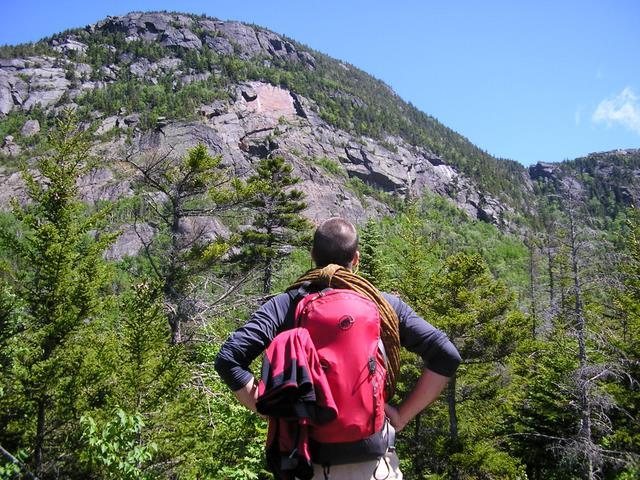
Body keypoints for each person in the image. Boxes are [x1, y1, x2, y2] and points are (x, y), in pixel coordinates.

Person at [215, 217, 461, 479]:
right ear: (356, 259)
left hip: (306, 463)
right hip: (374, 466)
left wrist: (272, 408)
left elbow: (229, 358)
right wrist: (402, 415)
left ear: (313, 256)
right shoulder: (383, 305)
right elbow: (446, 355)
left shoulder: (286, 305)